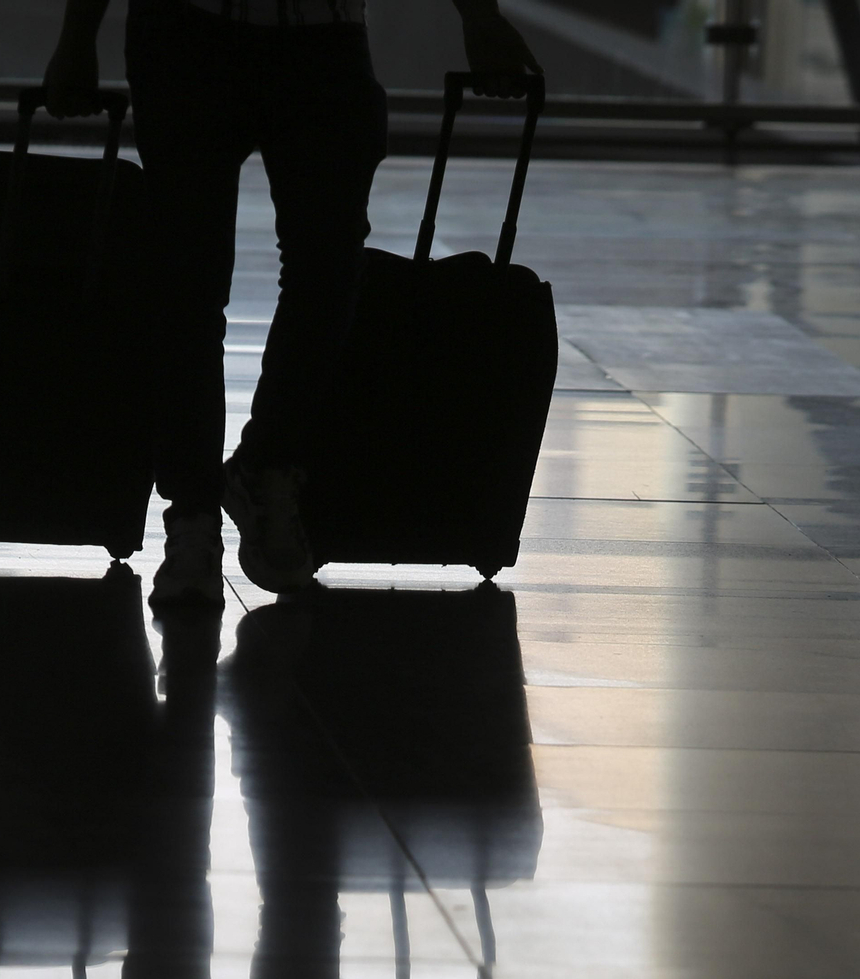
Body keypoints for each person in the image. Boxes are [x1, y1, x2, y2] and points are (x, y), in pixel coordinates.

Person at [45, 0, 541, 606]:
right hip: (294, 36)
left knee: (223, 281)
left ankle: (214, 500)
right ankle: (238, 483)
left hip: (212, 37)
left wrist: (79, 33)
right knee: (294, 271)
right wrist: (478, 14)